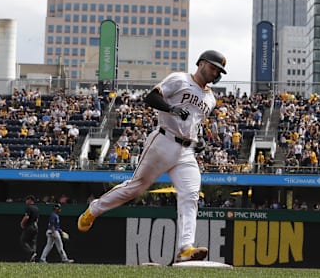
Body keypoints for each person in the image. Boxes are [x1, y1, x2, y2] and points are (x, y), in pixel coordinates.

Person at [77, 50, 227, 263]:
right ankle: (94, 209)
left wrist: (199, 138)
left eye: (219, 70)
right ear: (201, 63)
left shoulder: (210, 98)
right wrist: (172, 109)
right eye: (213, 67)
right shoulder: (180, 79)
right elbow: (151, 97)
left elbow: (195, 121)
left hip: (186, 151)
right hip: (163, 141)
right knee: (136, 188)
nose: (215, 72)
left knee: (191, 195)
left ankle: (185, 248)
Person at [19, 195, 39, 262]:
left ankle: (31, 253)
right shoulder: (36, 208)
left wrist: (22, 223)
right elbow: (37, 220)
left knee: (23, 241)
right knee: (33, 242)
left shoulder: (29, 208)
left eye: (27, 200)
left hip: (29, 226)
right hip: (35, 226)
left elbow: (26, 217)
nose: (26, 201)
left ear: (30, 200)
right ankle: (33, 259)